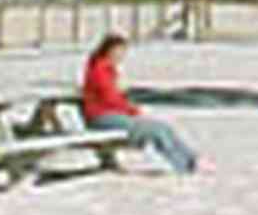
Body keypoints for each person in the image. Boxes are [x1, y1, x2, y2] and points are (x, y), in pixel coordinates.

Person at [81, 34, 198, 174]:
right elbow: (110, 99)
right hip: (102, 117)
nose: (120, 56)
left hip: (112, 115)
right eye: (118, 51)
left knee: (163, 127)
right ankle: (181, 164)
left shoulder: (107, 70)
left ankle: (191, 159)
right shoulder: (100, 70)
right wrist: (132, 110)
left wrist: (129, 109)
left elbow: (114, 99)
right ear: (108, 50)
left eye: (123, 52)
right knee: (155, 130)